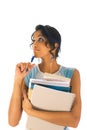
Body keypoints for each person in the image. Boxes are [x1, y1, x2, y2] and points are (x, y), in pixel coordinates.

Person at [8, 25, 81, 130]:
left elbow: (74, 120)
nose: (34, 44)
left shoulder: (72, 74)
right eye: (34, 40)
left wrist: (31, 112)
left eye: (40, 39)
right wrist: (17, 79)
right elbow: (12, 122)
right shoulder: (28, 74)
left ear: (55, 46)